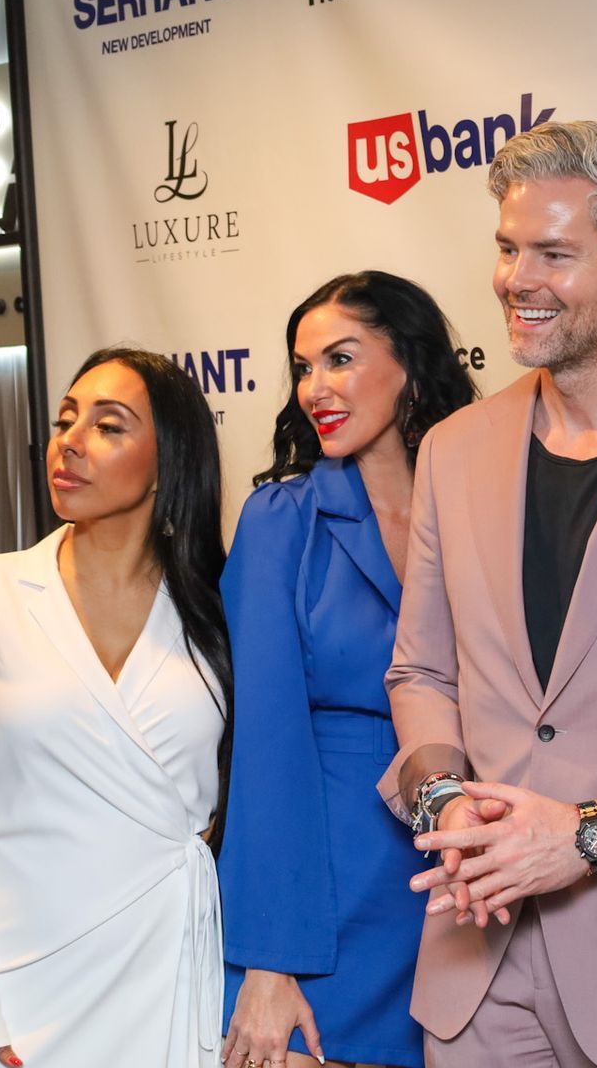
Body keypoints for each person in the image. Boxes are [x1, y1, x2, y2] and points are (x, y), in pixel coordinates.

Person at [381, 120, 597, 1068]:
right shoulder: (453, 447)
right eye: (508, 248)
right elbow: (421, 666)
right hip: (471, 950)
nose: (517, 279)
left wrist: (589, 835)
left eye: (555, 254)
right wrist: (444, 803)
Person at [0, 348, 233, 1068]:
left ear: (168, 457)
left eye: (108, 426)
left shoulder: (220, 610)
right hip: (16, 984)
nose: (71, 442)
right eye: (64, 420)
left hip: (170, 971)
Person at [219, 272, 477, 1068]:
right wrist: (269, 960)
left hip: (470, 895)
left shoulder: (483, 506)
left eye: (339, 359)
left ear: (411, 362)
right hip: (323, 909)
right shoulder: (281, 522)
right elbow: (263, 748)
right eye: (302, 367)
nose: (314, 389)